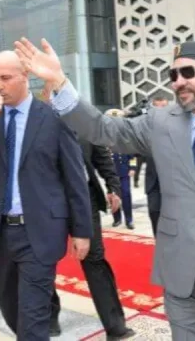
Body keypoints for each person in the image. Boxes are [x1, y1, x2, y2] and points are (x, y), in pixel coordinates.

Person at [16, 38, 195, 340]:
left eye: (188, 72)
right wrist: (59, 81)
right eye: (173, 75)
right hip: (180, 273)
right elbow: (102, 128)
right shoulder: (160, 122)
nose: (179, 82)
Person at [0, 51, 93, 339]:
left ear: (25, 77)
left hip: (39, 231)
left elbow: (74, 177)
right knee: (11, 310)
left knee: (34, 319)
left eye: (5, 78)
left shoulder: (53, 118)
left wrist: (82, 230)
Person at [49, 137, 135, 339]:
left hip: (84, 197)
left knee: (95, 259)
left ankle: (115, 326)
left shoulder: (81, 119)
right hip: (49, 201)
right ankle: (50, 316)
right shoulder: (35, 118)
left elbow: (102, 158)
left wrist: (113, 187)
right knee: (45, 260)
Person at [143, 95, 169, 236]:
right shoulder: (147, 129)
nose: (160, 112)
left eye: (163, 108)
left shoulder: (179, 128)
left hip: (174, 187)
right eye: (157, 108)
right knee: (155, 218)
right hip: (153, 185)